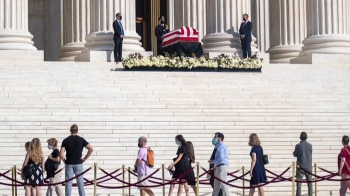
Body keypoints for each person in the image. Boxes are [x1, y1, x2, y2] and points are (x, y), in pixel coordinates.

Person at [60, 124, 93, 196]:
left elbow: (61, 154)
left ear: (70, 131)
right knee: (80, 182)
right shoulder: (81, 140)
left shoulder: (66, 140)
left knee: (68, 183)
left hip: (69, 163)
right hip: (78, 163)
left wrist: (65, 161)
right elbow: (91, 149)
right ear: (77, 131)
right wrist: (85, 158)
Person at [293, 132, 313, 196]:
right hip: (308, 166)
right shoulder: (310, 145)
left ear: (300, 137)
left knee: (299, 183)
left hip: (300, 166)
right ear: (306, 137)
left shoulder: (298, 145)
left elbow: (294, 154)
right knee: (310, 183)